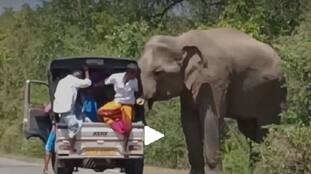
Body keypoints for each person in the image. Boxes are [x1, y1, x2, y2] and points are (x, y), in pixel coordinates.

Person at [97, 63, 142, 135]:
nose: (135, 76)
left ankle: (119, 120)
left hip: (127, 105)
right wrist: (94, 85)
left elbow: (137, 91)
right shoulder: (116, 77)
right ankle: (113, 121)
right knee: (100, 112)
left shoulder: (135, 81)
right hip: (117, 103)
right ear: (128, 72)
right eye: (134, 73)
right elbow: (105, 82)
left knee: (127, 128)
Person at [53, 68, 92, 150]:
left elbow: (56, 95)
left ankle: (64, 143)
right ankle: (71, 148)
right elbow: (88, 83)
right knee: (74, 128)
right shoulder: (74, 80)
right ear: (79, 77)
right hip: (66, 109)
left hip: (58, 109)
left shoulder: (62, 81)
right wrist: (86, 71)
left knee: (63, 128)